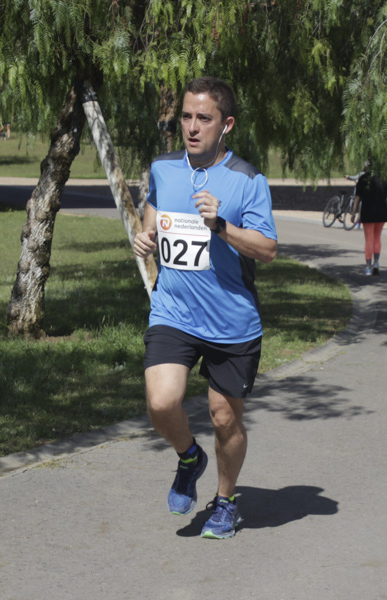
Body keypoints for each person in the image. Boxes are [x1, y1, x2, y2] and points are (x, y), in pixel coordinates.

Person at [132, 76, 278, 540]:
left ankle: (226, 500)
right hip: (173, 309)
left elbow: (268, 249)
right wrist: (145, 235)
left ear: (226, 124)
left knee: (224, 416)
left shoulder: (247, 180)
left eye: (204, 118)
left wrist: (222, 225)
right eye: (187, 118)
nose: (192, 128)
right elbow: (155, 213)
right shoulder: (164, 166)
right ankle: (189, 456)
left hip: (231, 318)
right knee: (161, 401)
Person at [351, 165, 387, 275]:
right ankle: (376, 263)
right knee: (377, 237)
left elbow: (357, 198)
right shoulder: (385, 178)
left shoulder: (363, 179)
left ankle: (368, 267)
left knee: (369, 239)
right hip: (382, 211)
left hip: (368, 210)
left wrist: (353, 212)